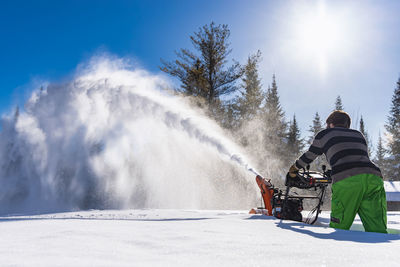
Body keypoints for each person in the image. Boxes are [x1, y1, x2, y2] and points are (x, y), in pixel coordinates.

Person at [289, 110, 387, 233]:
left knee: (340, 225)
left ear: (330, 124)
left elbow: (310, 155)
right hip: (374, 178)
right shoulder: (358, 134)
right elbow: (353, 157)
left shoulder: (325, 134)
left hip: (348, 182)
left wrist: (294, 168)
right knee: (376, 227)